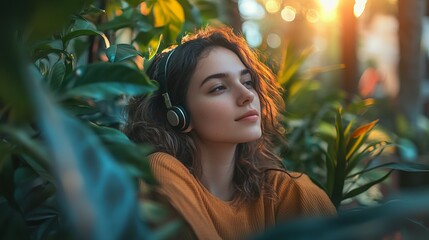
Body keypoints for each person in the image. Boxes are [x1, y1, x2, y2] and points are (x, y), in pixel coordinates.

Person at [123, 26, 336, 239]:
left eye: (247, 82)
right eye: (218, 88)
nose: (247, 95)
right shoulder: (162, 169)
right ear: (178, 114)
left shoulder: (292, 192)